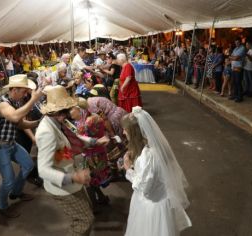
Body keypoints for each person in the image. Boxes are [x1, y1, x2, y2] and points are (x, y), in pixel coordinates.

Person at [36, 86, 103, 235]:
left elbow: (75, 137)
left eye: (66, 110)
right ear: (53, 111)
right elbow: (43, 170)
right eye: (63, 111)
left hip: (73, 179)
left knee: (86, 215)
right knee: (84, 220)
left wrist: (94, 141)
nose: (66, 115)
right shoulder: (47, 132)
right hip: (62, 186)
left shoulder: (59, 122)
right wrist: (72, 177)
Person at [121, 106, 192, 236]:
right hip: (162, 201)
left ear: (134, 132)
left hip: (152, 207)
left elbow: (144, 188)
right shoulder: (154, 148)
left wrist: (128, 169)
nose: (123, 132)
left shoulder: (147, 156)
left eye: (125, 130)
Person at [0, 74, 43, 218]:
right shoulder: (2, 103)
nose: (25, 94)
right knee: (8, 180)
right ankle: (2, 207)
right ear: (14, 90)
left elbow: (20, 123)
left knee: (28, 165)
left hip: (11, 143)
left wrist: (38, 122)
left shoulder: (15, 103)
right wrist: (33, 99)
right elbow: (14, 117)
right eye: (24, 91)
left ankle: (16, 193)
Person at [69, 101, 111, 209]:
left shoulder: (86, 123)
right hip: (97, 152)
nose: (70, 112)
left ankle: (94, 206)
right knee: (92, 180)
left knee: (88, 181)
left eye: (71, 109)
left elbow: (85, 143)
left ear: (79, 109)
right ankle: (101, 198)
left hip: (92, 155)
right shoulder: (92, 117)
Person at [229, 37, 246, 102]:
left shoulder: (242, 48)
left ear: (240, 42)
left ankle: (240, 97)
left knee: (238, 82)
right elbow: (231, 56)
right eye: (235, 43)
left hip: (239, 67)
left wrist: (233, 57)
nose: (236, 44)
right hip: (233, 67)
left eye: (238, 42)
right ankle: (235, 95)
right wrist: (234, 57)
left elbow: (236, 58)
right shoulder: (235, 49)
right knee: (234, 82)